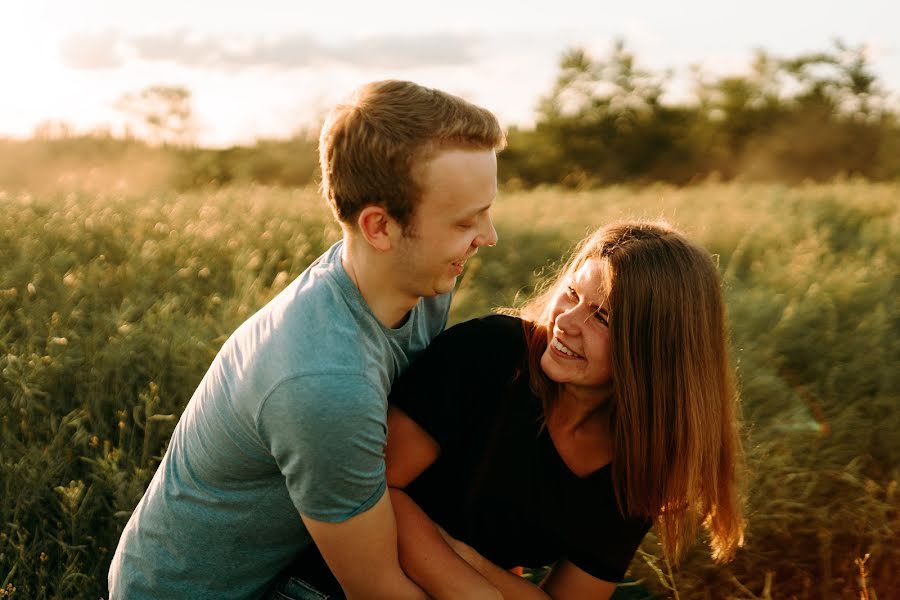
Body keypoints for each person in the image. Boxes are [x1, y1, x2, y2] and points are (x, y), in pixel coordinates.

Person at [107, 80, 506, 600]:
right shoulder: (325, 379)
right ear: (379, 227)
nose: (489, 236)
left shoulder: (414, 281)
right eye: (465, 221)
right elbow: (377, 588)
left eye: (486, 211)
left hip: (292, 557)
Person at [379, 220, 746, 599]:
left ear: (655, 352)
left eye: (602, 317)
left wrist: (463, 558)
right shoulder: (489, 354)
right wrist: (473, 588)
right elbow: (372, 489)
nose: (566, 322)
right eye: (572, 293)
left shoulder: (639, 463)